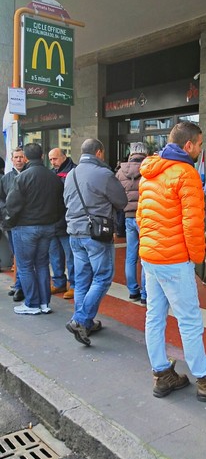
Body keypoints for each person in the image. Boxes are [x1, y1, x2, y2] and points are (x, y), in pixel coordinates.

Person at [137, 121, 206, 404]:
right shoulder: (186, 174)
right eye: (199, 144)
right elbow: (193, 224)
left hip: (150, 256)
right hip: (174, 259)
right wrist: (198, 261)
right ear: (188, 145)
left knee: (154, 315)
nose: (200, 149)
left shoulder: (149, 172)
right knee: (190, 320)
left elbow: (140, 217)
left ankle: (162, 373)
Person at [64, 138, 127, 346]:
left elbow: (66, 201)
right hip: (96, 235)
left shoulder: (70, 174)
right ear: (99, 152)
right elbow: (122, 201)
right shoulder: (104, 174)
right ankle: (80, 320)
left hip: (74, 233)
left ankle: (86, 323)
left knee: (82, 280)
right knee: (102, 277)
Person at [5, 143, 65, 315]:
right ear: (43, 156)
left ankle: (32, 304)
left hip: (25, 228)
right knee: (42, 265)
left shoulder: (22, 177)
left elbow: (12, 204)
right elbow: (61, 204)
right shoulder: (54, 177)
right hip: (48, 227)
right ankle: (44, 303)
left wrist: (11, 221)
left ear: (25, 158)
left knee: (25, 266)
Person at [116, 142, 148, 304]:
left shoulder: (121, 171)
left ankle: (132, 290)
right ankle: (145, 294)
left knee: (131, 255)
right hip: (145, 217)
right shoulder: (148, 169)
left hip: (128, 216)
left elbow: (116, 193)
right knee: (145, 256)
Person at [48, 148, 77, 299]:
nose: (53, 162)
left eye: (55, 159)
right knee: (55, 255)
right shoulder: (51, 173)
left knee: (70, 256)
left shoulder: (74, 171)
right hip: (52, 222)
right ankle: (59, 282)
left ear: (64, 157)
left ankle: (73, 285)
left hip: (67, 222)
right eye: (51, 159)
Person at [0, 148, 26, 302]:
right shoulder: (6, 178)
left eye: (21, 157)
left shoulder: (30, 175)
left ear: (26, 158)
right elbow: (1, 199)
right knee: (17, 255)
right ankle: (19, 284)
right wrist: (6, 213)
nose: (19, 160)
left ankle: (21, 286)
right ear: (12, 159)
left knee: (25, 258)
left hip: (28, 223)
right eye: (16, 157)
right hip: (11, 223)